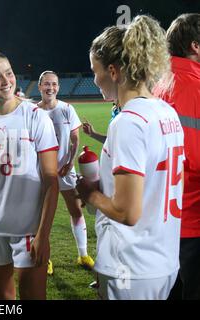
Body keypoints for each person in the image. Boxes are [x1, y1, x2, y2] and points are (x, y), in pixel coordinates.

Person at [76, 15, 185, 300]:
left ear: (113, 71)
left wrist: (90, 194)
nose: (94, 78)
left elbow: (127, 212)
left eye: (94, 70)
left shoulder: (129, 121)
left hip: (131, 264)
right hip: (162, 257)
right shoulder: (165, 111)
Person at [0, 48, 59, 299]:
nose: (7, 81)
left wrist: (44, 234)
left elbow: (51, 182)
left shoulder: (36, 117)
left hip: (28, 230)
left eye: (8, 73)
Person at [153, 13, 200, 300]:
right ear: (195, 46)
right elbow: (194, 158)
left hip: (164, 217)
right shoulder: (194, 87)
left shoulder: (160, 84)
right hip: (193, 219)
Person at [37, 70, 95, 276]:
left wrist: (70, 163)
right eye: (46, 84)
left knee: (76, 210)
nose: (50, 88)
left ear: (58, 87)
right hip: (42, 173)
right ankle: (46, 258)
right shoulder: (34, 112)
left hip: (64, 170)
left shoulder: (67, 109)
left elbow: (75, 139)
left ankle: (83, 255)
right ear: (40, 87)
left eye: (53, 84)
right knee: (44, 217)